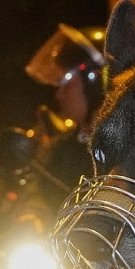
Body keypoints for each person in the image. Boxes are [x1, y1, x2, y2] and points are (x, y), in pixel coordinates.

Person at [24, 24, 107, 199]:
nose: (58, 94)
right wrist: (31, 215)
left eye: (66, 83)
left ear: (93, 81)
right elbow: (38, 195)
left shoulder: (129, 147)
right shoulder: (60, 150)